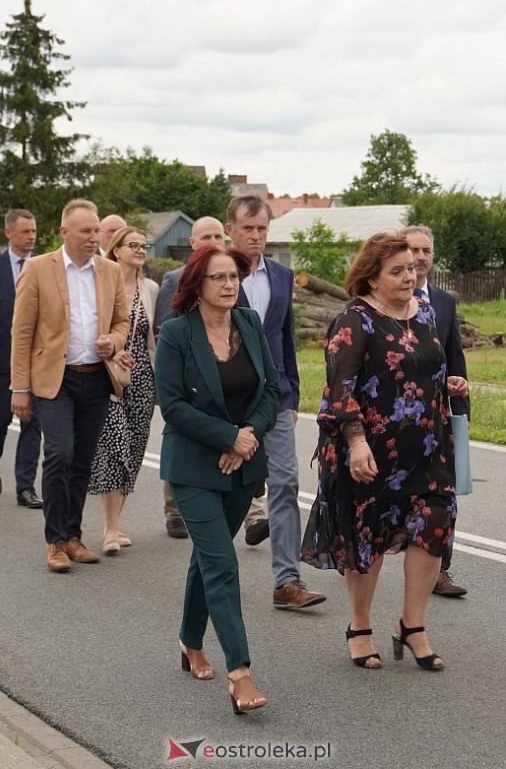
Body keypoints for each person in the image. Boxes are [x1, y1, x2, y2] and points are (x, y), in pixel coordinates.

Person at [301, 233, 466, 672]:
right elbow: (339, 391)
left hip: (427, 447)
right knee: (367, 538)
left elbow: (424, 365)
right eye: (397, 270)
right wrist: (355, 442)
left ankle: (412, 626)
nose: (410, 276)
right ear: (371, 278)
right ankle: (359, 626)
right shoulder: (355, 320)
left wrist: (444, 383)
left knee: (433, 525)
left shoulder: (425, 312)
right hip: (370, 452)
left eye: (411, 267)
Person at [156, 243, 278, 714]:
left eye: (234, 277)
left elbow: (271, 385)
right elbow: (174, 407)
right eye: (219, 278)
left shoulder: (248, 323)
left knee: (206, 560)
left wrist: (247, 436)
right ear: (197, 285)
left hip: (241, 462)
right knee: (223, 564)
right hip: (193, 467)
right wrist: (227, 437)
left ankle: (189, 640)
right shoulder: (176, 334)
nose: (230, 285)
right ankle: (240, 672)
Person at [9, 199, 131, 572]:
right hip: (54, 379)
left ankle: (73, 536)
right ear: (64, 233)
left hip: (95, 377)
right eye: (85, 231)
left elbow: (122, 322)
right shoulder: (37, 268)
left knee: (82, 461)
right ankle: (54, 541)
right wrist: (19, 386)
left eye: (96, 231)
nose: (93, 237)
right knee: (59, 453)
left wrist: (114, 341)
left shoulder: (110, 271)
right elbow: (22, 331)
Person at [225, 195, 325, 611]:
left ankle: (287, 580)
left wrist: (293, 392)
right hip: (229, 400)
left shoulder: (282, 276)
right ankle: (212, 569)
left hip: (277, 397)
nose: (256, 236)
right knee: (228, 490)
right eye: (248, 228)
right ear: (231, 228)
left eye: (262, 228)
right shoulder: (218, 275)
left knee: (285, 483)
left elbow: (284, 339)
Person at [403, 225, 471, 599]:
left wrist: (461, 416)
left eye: (426, 250)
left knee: (444, 495)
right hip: (396, 418)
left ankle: (439, 570)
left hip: (438, 417)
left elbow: (455, 359)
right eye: (413, 249)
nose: (420, 256)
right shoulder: (387, 297)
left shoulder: (444, 302)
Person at [153, 215, 227, 538]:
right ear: (193, 243)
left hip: (224, 378)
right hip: (189, 378)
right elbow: (165, 328)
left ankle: (249, 512)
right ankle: (174, 509)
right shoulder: (174, 279)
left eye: (218, 235)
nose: (213, 241)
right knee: (184, 440)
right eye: (206, 236)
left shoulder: (231, 278)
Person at [89, 226, 158, 553]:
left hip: (143, 377)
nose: (141, 251)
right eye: (134, 245)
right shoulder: (101, 284)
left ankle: (116, 524)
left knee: (134, 448)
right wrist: (113, 351)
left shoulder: (152, 288)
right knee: (115, 443)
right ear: (116, 250)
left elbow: (154, 337)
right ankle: (110, 529)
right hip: (108, 375)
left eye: (144, 246)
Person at [0, 210, 43, 508]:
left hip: (38, 359)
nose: (31, 237)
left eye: (34, 231)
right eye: (25, 231)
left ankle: (25, 486)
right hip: (2, 359)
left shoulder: (44, 265)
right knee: (1, 417)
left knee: (33, 420)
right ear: (8, 233)